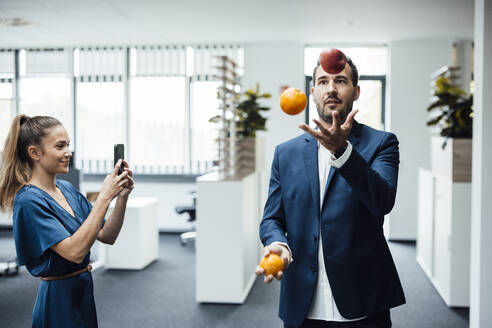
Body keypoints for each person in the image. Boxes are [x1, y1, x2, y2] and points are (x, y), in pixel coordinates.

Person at [256, 56, 405, 328]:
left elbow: (383, 201)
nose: (331, 88)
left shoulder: (382, 143)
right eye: (323, 81)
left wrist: (342, 151)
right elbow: (271, 219)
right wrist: (277, 243)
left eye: (341, 80)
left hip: (363, 300)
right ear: (312, 93)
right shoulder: (285, 153)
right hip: (302, 303)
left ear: (356, 91)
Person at [0, 115, 134, 328]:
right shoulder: (28, 200)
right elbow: (75, 252)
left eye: (68, 145)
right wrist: (104, 197)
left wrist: (122, 197)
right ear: (35, 152)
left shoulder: (68, 190)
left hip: (83, 291)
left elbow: (108, 235)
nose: (68, 152)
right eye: (60, 146)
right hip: (57, 298)